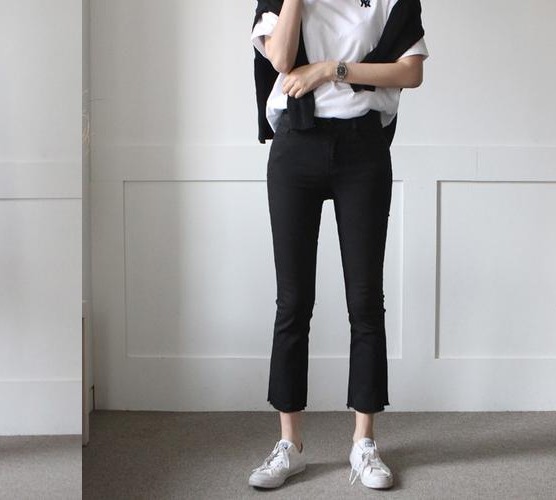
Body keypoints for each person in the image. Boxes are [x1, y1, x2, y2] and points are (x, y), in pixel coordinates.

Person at [241, 0, 426, 491]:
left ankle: (364, 442)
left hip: (362, 150)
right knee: (293, 301)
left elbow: (410, 71)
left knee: (365, 301)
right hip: (295, 146)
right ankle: (290, 445)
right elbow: (281, 59)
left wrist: (331, 69)